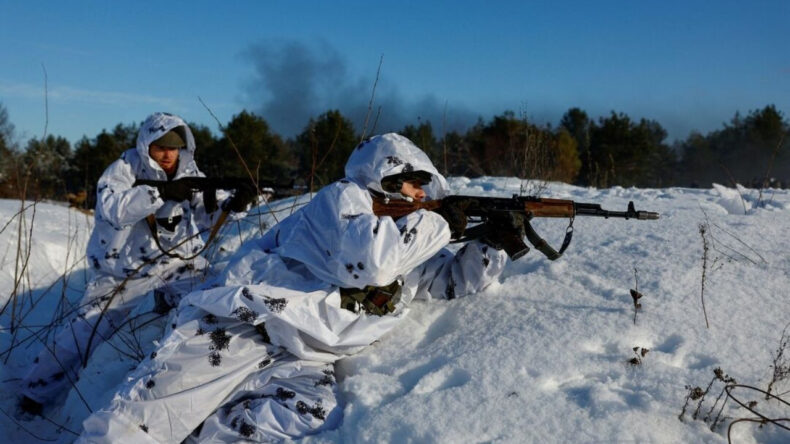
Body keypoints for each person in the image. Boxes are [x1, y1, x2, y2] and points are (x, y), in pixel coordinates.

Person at [78, 133, 509, 443]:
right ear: (390, 179)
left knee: (306, 415)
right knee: (138, 424)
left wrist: (497, 244)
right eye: (417, 186)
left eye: (427, 193)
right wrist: (437, 222)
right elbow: (370, 264)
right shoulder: (342, 200)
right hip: (241, 324)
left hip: (304, 354)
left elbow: (447, 281)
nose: (420, 198)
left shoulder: (407, 237)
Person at [19, 112, 256, 416]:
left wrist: (233, 205)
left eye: (175, 148)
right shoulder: (124, 169)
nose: (169, 155)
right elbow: (112, 209)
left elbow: (206, 216)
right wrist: (158, 192)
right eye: (161, 147)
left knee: (214, 300)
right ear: (147, 146)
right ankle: (35, 392)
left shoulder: (189, 171)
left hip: (176, 267)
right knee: (86, 331)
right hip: (123, 272)